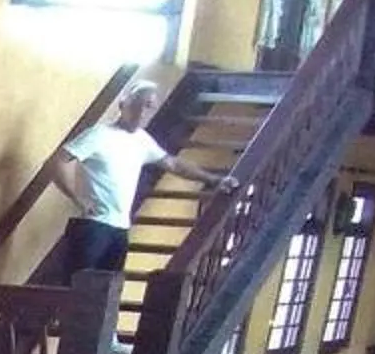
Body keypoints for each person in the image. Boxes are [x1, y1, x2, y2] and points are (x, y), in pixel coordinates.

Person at [37, 80, 241, 283]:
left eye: (149, 106)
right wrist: (78, 198)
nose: (143, 112)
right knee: (77, 291)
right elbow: (57, 161)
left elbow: (173, 163)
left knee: (107, 293)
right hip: (93, 227)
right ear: (123, 105)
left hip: (120, 230)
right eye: (138, 104)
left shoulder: (142, 140)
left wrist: (214, 179)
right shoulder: (99, 134)